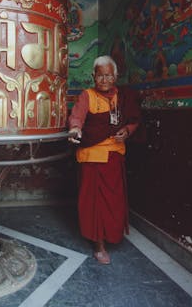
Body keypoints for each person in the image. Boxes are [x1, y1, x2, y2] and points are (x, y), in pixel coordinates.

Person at [68, 55, 141, 264]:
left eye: (108, 76)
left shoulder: (123, 97)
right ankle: (99, 246)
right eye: (100, 76)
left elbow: (133, 120)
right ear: (93, 76)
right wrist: (75, 129)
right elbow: (77, 117)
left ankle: (111, 235)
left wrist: (127, 131)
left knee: (113, 201)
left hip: (114, 155)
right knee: (95, 204)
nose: (104, 80)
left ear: (115, 76)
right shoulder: (87, 96)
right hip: (92, 157)